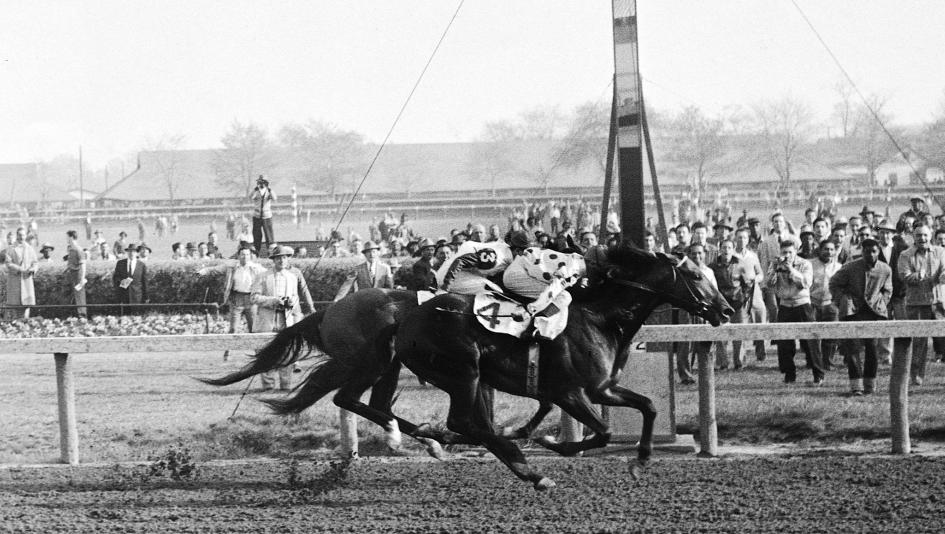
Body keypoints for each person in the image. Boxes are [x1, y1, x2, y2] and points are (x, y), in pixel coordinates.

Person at [830, 238, 893, 396]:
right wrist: (843, 300)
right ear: (862, 251)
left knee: (872, 348)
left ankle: (870, 384)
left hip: (873, 312)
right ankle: (856, 386)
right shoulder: (850, 267)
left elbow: (888, 289)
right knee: (852, 348)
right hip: (853, 311)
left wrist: (881, 303)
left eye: (874, 251)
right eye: (867, 251)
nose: (870, 254)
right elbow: (834, 283)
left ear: (878, 252)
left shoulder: (885, 269)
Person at [766, 239, 823, 385]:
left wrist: (791, 269)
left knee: (811, 341)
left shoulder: (805, 264)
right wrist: (776, 269)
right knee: (784, 343)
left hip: (802, 304)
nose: (787, 255)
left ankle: (818, 374)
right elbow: (769, 283)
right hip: (785, 305)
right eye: (784, 252)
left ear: (796, 251)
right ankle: (789, 375)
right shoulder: (775, 264)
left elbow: (805, 283)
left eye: (790, 252)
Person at [895, 224, 945, 386]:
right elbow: (904, 276)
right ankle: (916, 377)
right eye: (918, 236)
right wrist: (919, 276)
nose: (922, 239)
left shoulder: (940, 251)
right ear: (913, 237)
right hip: (917, 303)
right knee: (919, 343)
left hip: (939, 302)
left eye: (925, 235)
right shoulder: (906, 255)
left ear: (930, 236)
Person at [252, 245, 300, 391]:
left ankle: (285, 385)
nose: (282, 260)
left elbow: (295, 297)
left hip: (286, 319)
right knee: (267, 352)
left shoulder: (292, 277)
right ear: (273, 260)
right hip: (267, 319)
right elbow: (254, 297)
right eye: (278, 258)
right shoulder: (263, 276)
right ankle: (268, 386)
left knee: (287, 353)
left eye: (284, 257)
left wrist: (291, 302)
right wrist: (273, 301)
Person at [199, 246, 266, 334]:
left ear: (250, 256)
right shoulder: (231, 266)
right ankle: (231, 347)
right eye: (242, 254)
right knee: (233, 328)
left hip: (251, 299)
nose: (245, 257)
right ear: (238, 256)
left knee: (253, 327)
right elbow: (216, 270)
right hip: (237, 298)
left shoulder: (256, 268)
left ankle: (255, 347)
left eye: (247, 255)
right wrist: (203, 271)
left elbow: (268, 275)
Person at [709, 239, 751, 370]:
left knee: (739, 333)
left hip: (737, 303)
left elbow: (748, 284)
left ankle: (739, 362)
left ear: (733, 249)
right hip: (721, 304)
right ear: (720, 249)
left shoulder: (740, 264)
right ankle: (722, 363)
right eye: (724, 247)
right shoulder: (713, 266)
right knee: (721, 334)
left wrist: (743, 298)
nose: (726, 250)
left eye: (729, 247)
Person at [734, 227, 767, 361]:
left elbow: (760, 273)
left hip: (755, 292)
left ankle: (761, 353)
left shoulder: (752, 255)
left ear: (748, 239)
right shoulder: (732, 255)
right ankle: (740, 359)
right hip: (740, 294)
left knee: (761, 320)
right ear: (735, 239)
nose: (742, 240)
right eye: (739, 237)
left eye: (744, 237)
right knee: (741, 325)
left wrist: (755, 279)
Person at [3, 226, 38, 319]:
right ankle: (15, 324)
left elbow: (35, 262)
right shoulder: (10, 249)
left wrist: (32, 269)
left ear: (25, 236)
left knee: (26, 304)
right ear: (17, 236)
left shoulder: (30, 248)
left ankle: (25, 323)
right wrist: (20, 269)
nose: (21, 237)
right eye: (19, 235)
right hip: (15, 280)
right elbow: (8, 263)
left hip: (26, 280)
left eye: (23, 235)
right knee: (15, 304)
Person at [250, 175, 277, 254]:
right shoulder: (256, 191)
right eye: (260, 182)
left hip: (267, 216)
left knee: (269, 234)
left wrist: (269, 188)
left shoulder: (268, 191)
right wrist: (255, 188)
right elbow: (250, 197)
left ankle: (271, 250)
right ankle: (256, 251)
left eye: (263, 182)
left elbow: (274, 198)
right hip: (257, 215)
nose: (261, 184)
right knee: (256, 234)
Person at [65, 230, 87, 318]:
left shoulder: (78, 250)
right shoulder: (71, 249)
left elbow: (83, 265)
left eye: (67, 237)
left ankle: (82, 314)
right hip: (72, 274)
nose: (66, 239)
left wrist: (82, 278)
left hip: (77, 274)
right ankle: (76, 314)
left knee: (80, 295)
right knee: (74, 295)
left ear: (71, 237)